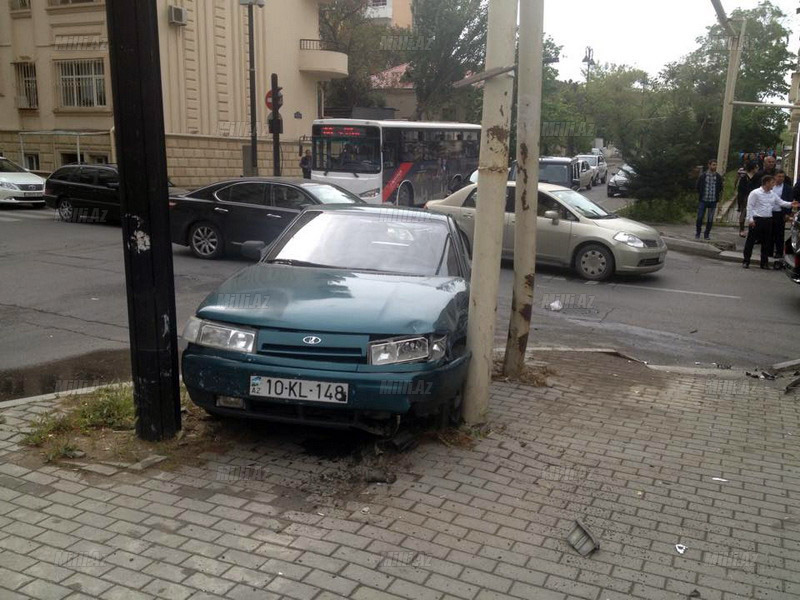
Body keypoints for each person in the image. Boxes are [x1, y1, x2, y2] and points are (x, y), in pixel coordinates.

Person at [742, 175, 798, 269]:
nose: (774, 184)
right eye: (772, 182)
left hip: (768, 219)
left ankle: (764, 262)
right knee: (751, 241)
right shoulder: (755, 193)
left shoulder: (772, 194)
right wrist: (750, 219)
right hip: (757, 219)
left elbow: (781, 202)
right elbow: (750, 207)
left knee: (766, 242)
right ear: (767, 183)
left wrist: (791, 204)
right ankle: (746, 260)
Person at [695, 159, 723, 239]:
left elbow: (720, 187)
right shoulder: (703, 176)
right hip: (703, 199)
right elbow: (698, 186)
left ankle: (706, 234)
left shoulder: (718, 176)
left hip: (713, 200)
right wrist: (700, 193)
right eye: (713, 164)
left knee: (710, 219)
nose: (715, 166)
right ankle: (698, 232)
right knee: (700, 217)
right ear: (709, 165)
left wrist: (717, 195)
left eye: (715, 165)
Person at [771, 169, 793, 267]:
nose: (781, 178)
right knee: (769, 233)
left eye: (782, 177)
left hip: (781, 213)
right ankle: (769, 251)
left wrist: (788, 213)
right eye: (779, 176)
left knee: (779, 233)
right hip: (770, 212)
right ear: (775, 177)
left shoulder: (787, 188)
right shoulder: (770, 186)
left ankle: (779, 251)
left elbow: (789, 201)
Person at [736, 161, 759, 236]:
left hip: (755, 197)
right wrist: (740, 199)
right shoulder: (744, 178)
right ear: (752, 169)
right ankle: (742, 229)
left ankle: (752, 230)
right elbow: (740, 189)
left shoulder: (757, 177)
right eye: (756, 167)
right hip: (746, 197)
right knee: (744, 212)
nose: (757, 169)